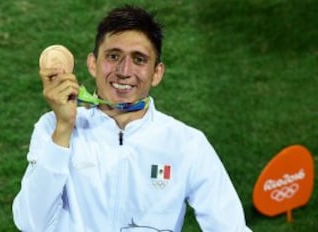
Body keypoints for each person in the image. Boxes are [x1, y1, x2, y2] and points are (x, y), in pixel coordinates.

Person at [13, 5, 252, 232]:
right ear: (93, 64)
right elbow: (31, 224)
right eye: (114, 56)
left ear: (156, 73)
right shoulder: (52, 128)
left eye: (139, 59)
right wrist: (64, 128)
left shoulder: (187, 144)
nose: (124, 71)